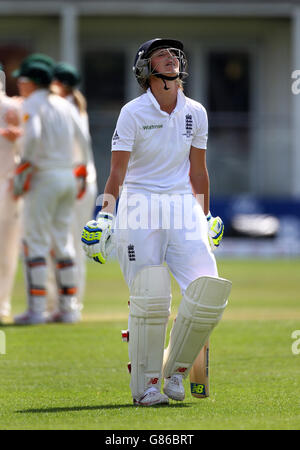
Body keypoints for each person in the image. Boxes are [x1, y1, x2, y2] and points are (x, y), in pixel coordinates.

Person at [81, 38, 230, 406]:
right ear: (145, 69)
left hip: (182, 205)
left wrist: (206, 213)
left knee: (208, 290)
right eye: (161, 54)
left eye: (174, 54)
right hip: (139, 204)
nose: (171, 58)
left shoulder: (196, 111)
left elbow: (199, 170)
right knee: (149, 297)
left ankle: (176, 373)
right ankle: (146, 386)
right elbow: (117, 171)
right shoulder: (133, 112)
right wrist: (105, 216)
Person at [12, 59, 90, 325]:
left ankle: (36, 310)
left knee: (35, 241)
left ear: (30, 83)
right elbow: (83, 138)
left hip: (44, 176)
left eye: (22, 81)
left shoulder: (34, 103)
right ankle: (68, 310)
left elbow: (32, 135)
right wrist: (81, 171)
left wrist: (25, 165)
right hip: (67, 175)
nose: (19, 85)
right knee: (62, 241)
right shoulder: (65, 104)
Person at [46, 62, 98, 320]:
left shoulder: (71, 109)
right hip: (72, 181)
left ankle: (70, 303)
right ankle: (59, 302)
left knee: (72, 245)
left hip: (78, 182)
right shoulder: (66, 107)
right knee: (59, 244)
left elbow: (81, 152)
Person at [0, 63, 23, 324]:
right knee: (5, 249)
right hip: (8, 184)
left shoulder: (15, 107)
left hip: (8, 183)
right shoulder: (16, 107)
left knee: (7, 249)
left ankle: (3, 304)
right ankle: (2, 305)